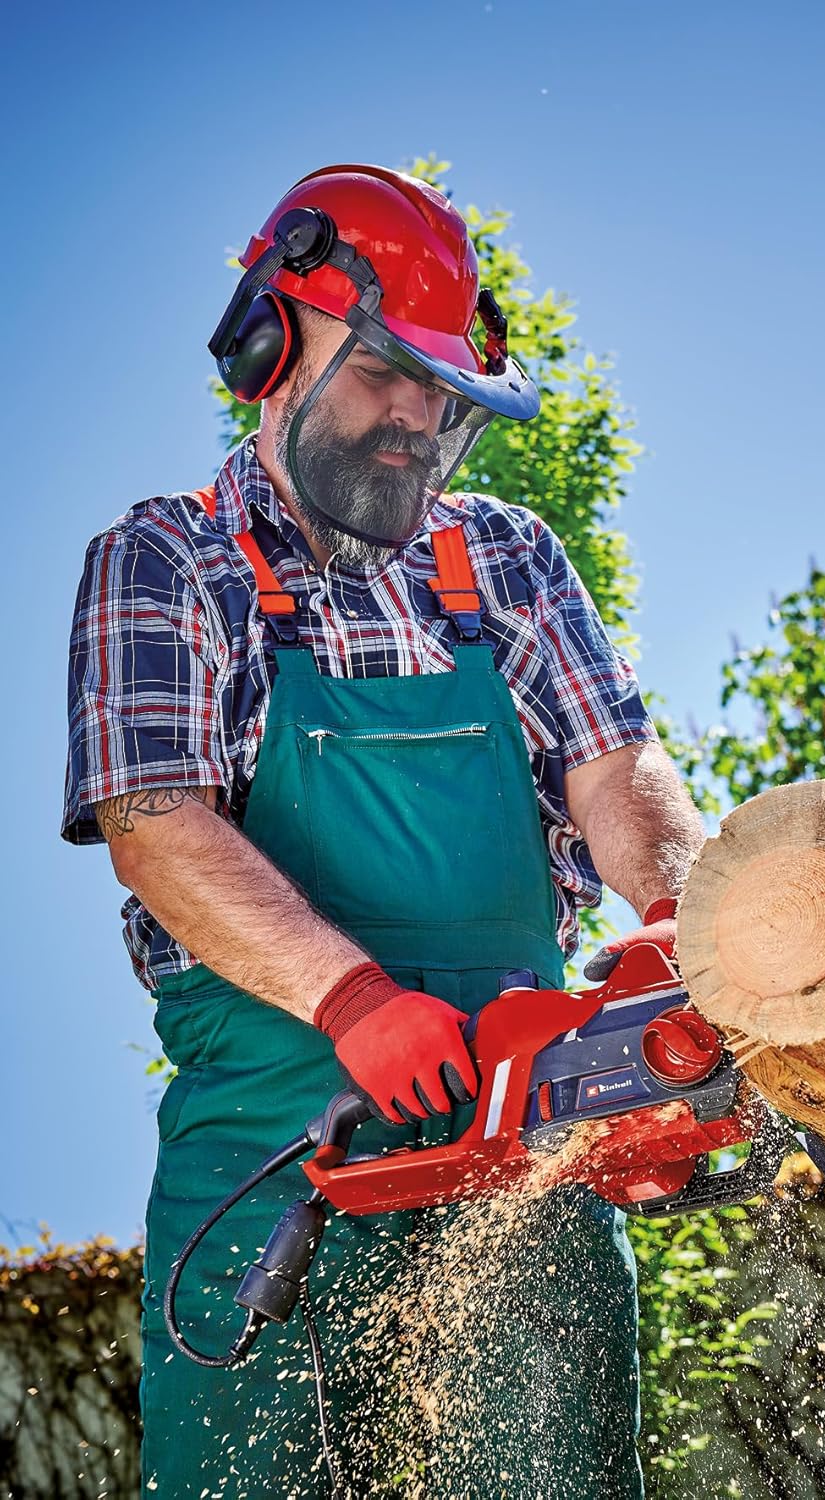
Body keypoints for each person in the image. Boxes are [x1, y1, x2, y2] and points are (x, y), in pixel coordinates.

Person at [62, 163, 705, 1498]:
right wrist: (353, 998)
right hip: (267, 1169)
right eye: (384, 376)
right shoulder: (167, 562)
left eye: (443, 394)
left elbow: (615, 764)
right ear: (273, 346)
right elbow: (154, 821)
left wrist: (678, 942)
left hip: (518, 1160)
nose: (416, 418)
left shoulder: (508, 560)